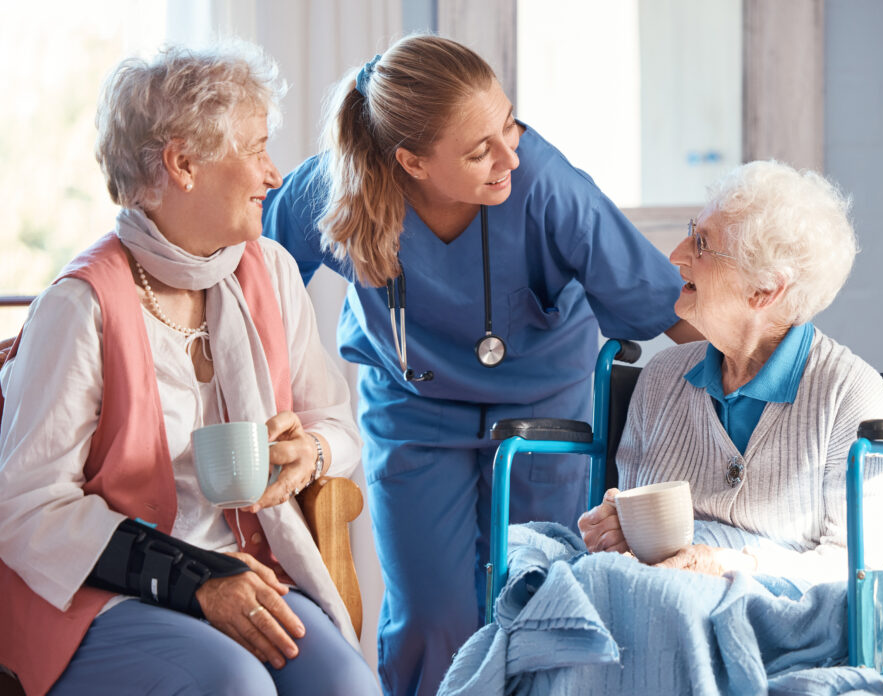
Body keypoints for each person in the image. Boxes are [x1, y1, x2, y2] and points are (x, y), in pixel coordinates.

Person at [262, 33, 699, 696]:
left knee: (534, 604)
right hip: (413, 405)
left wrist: (777, 363)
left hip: (544, 408)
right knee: (430, 619)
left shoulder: (546, 184)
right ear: (410, 160)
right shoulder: (334, 186)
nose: (510, 155)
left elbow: (662, 306)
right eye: (478, 149)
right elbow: (254, 282)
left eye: (509, 123)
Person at [0, 44, 379, 696]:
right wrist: (192, 577)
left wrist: (309, 453)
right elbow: (29, 510)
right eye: (256, 148)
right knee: (235, 685)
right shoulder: (79, 304)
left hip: (242, 570)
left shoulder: (269, 271)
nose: (274, 173)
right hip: (101, 593)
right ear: (183, 164)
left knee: (345, 686)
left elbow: (337, 424)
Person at [578, 160, 883, 586]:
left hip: (777, 626)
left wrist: (735, 567)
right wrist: (618, 529)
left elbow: (856, 568)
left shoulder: (851, 397)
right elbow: (637, 555)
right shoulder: (660, 379)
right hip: (656, 600)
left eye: (702, 244)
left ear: (765, 289)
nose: (676, 255)